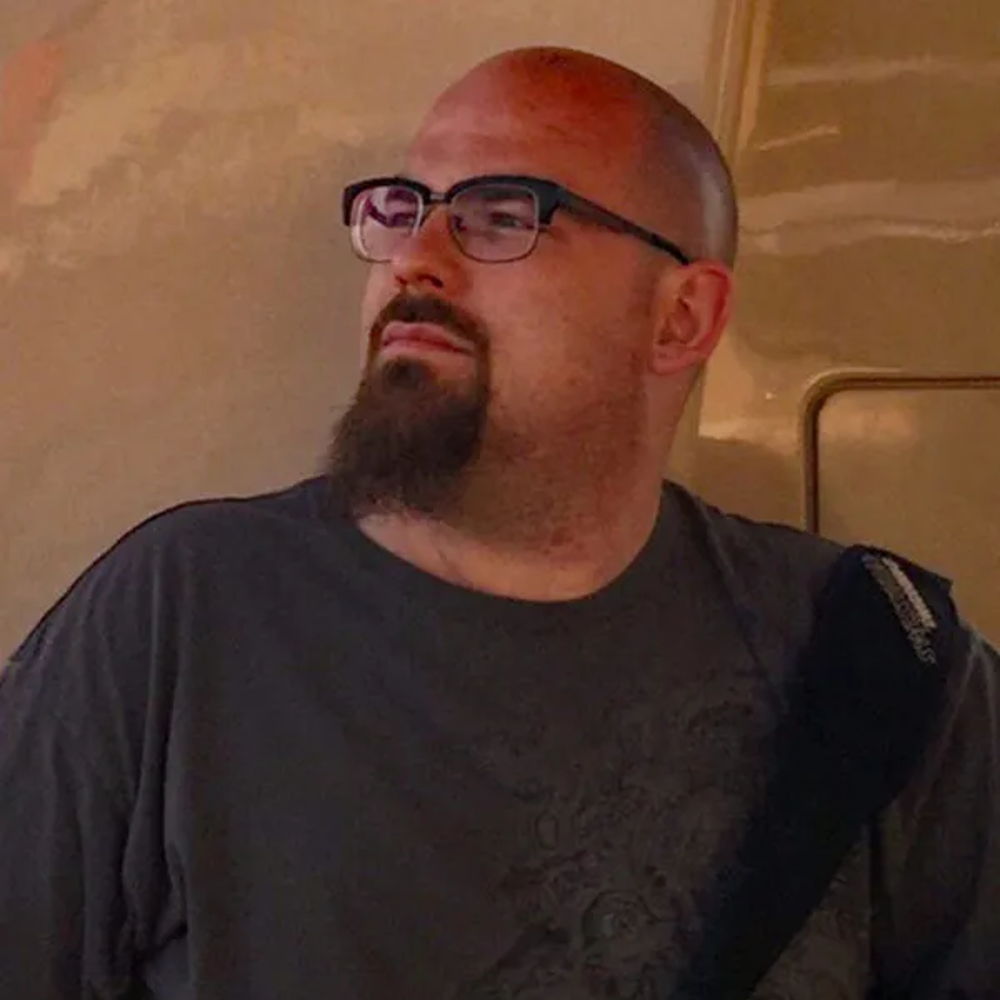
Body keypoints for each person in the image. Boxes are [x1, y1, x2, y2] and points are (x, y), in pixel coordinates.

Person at [0, 46, 997, 1000]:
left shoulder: (878, 657)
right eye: (401, 211)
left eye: (503, 215)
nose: (414, 260)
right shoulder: (180, 615)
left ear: (681, 318)